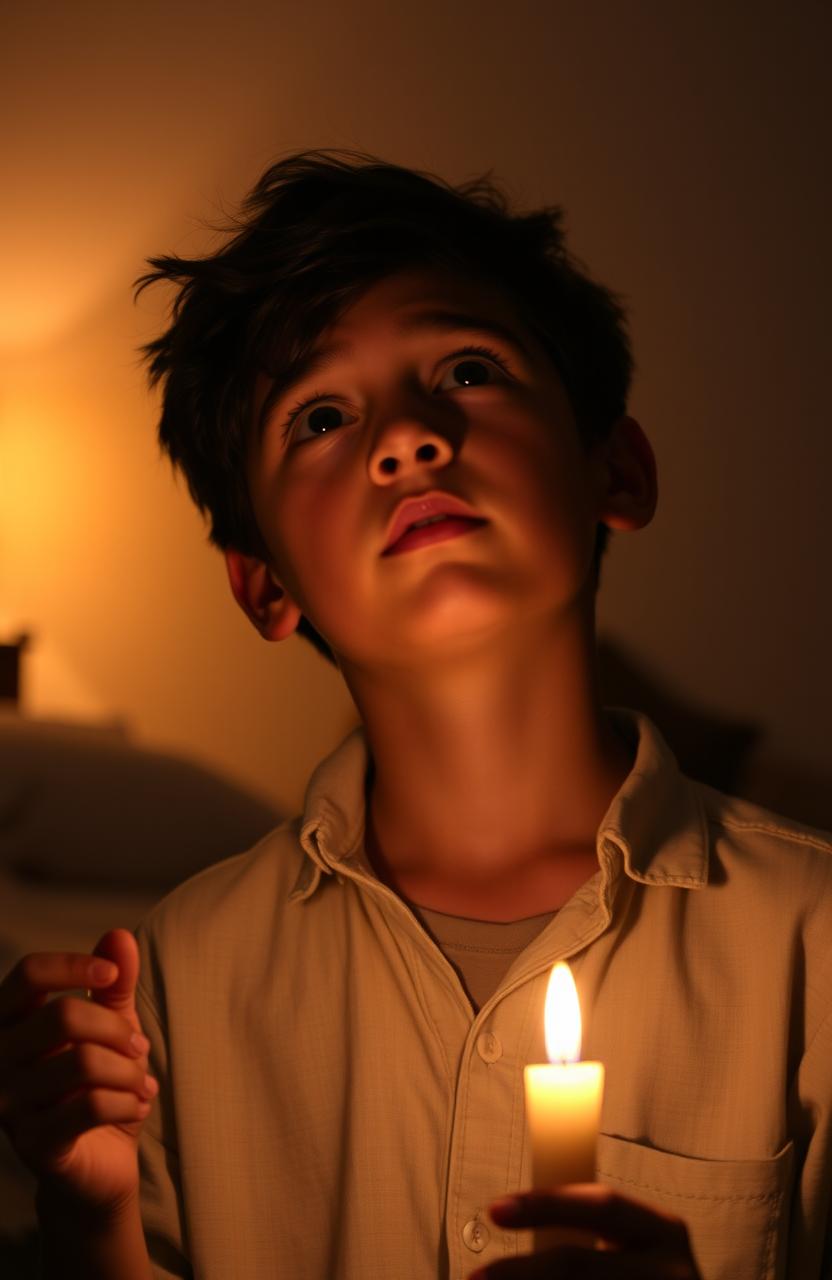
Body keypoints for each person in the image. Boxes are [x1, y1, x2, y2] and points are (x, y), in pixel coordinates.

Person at [1, 149, 830, 1280]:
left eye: (470, 369)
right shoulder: (176, 984)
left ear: (616, 472)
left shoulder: (811, 940)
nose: (406, 437)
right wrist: (88, 1220)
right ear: (264, 583)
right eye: (322, 416)